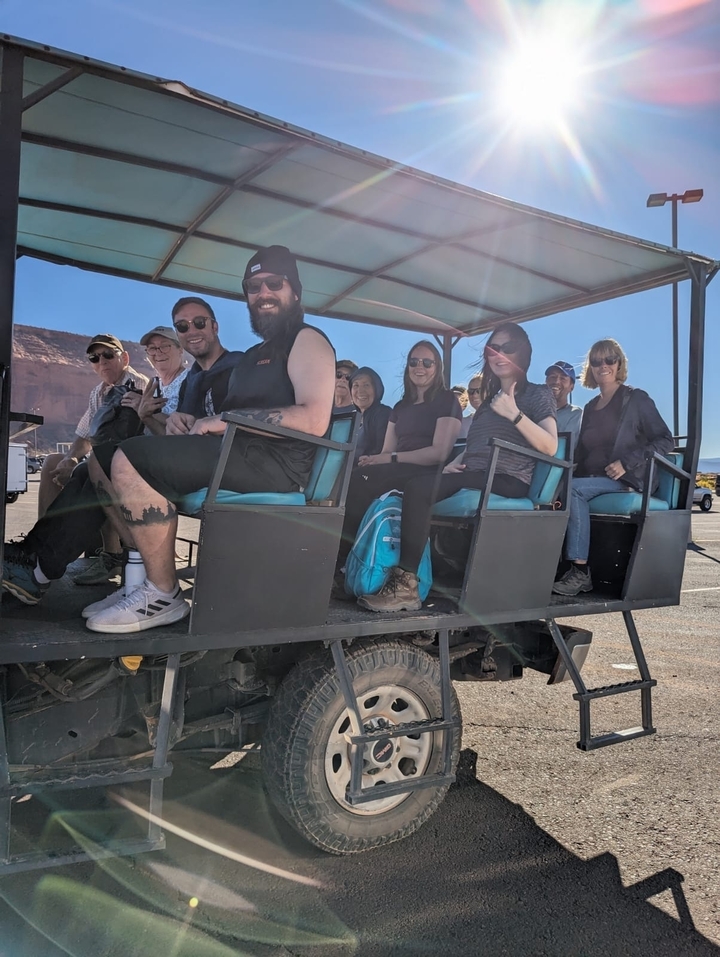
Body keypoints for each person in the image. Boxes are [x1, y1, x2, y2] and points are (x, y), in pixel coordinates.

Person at [84, 245, 335, 634]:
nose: (263, 292)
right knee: (102, 458)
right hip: (236, 453)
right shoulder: (254, 354)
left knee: (130, 459)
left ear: (295, 291)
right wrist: (190, 420)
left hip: (274, 465)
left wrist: (221, 420)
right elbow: (225, 418)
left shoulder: (308, 339)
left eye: (274, 283)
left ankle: (163, 593)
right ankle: (140, 581)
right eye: (254, 286)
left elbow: (315, 419)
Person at [2, 309, 240, 605]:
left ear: (181, 350)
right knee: (83, 468)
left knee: (100, 465)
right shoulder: (156, 384)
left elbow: (187, 434)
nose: (158, 352)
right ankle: (34, 556)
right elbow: (143, 430)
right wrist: (146, 415)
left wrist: (147, 414)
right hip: (153, 460)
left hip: (168, 467)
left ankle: (44, 568)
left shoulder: (190, 381)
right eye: (152, 348)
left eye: (165, 345)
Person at [359, 322, 557, 612]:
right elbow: (474, 447)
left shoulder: (537, 395)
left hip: (506, 479)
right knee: (406, 484)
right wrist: (452, 464)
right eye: (494, 348)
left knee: (418, 488)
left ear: (523, 353)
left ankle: (406, 585)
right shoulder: (489, 403)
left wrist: (514, 415)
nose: (499, 354)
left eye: (507, 348)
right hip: (474, 474)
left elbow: (550, 446)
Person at [552, 339, 673, 597]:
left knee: (571, 490)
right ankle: (551, 564)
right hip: (594, 478)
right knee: (554, 488)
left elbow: (665, 439)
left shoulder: (636, 399)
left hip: (628, 478)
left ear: (619, 364)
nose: (603, 365)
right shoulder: (590, 407)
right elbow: (582, 453)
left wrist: (626, 463)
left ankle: (580, 572)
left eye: (609, 359)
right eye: (596, 361)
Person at [337, 340, 462, 577]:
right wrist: (374, 460)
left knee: (362, 481)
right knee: (357, 476)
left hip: (428, 471)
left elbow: (439, 453)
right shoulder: (400, 406)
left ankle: (344, 561)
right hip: (397, 468)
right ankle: (349, 559)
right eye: (414, 362)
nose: (419, 367)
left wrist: (390, 459)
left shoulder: (447, 400)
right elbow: (387, 451)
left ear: (438, 368)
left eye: (427, 362)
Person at [37, 334, 147, 518]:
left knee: (85, 470)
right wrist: (71, 458)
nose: (102, 361)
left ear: (125, 358)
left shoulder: (135, 384)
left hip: (126, 464)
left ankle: (98, 542)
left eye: (108, 355)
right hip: (101, 458)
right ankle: (40, 536)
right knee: (52, 463)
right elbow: (84, 434)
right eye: (94, 358)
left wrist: (79, 465)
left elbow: (119, 436)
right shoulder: (98, 392)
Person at [349, 366, 391, 461]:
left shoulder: (383, 413)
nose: (360, 391)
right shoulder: (352, 419)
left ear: (377, 389)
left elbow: (380, 450)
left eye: (366, 385)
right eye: (356, 385)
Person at [545, 361, 582, 445]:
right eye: (552, 377)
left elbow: (563, 449)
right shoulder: (532, 409)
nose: (556, 381)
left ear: (571, 387)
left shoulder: (575, 414)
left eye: (563, 378)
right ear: (546, 381)